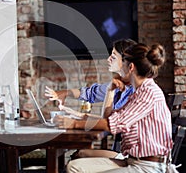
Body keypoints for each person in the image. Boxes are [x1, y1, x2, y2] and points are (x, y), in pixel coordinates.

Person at [55, 43, 172, 173]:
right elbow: (111, 119)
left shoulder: (148, 93)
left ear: (131, 67)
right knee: (74, 166)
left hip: (147, 167)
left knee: (76, 168)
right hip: (133, 160)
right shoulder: (139, 92)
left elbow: (111, 125)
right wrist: (110, 90)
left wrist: (74, 124)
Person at [45, 39, 137, 158]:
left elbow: (108, 121)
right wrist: (64, 94)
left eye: (113, 57)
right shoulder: (118, 83)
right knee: (77, 155)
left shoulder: (134, 91)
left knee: (78, 156)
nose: (108, 59)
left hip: (129, 155)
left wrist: (75, 122)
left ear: (127, 63)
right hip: (122, 150)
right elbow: (90, 93)